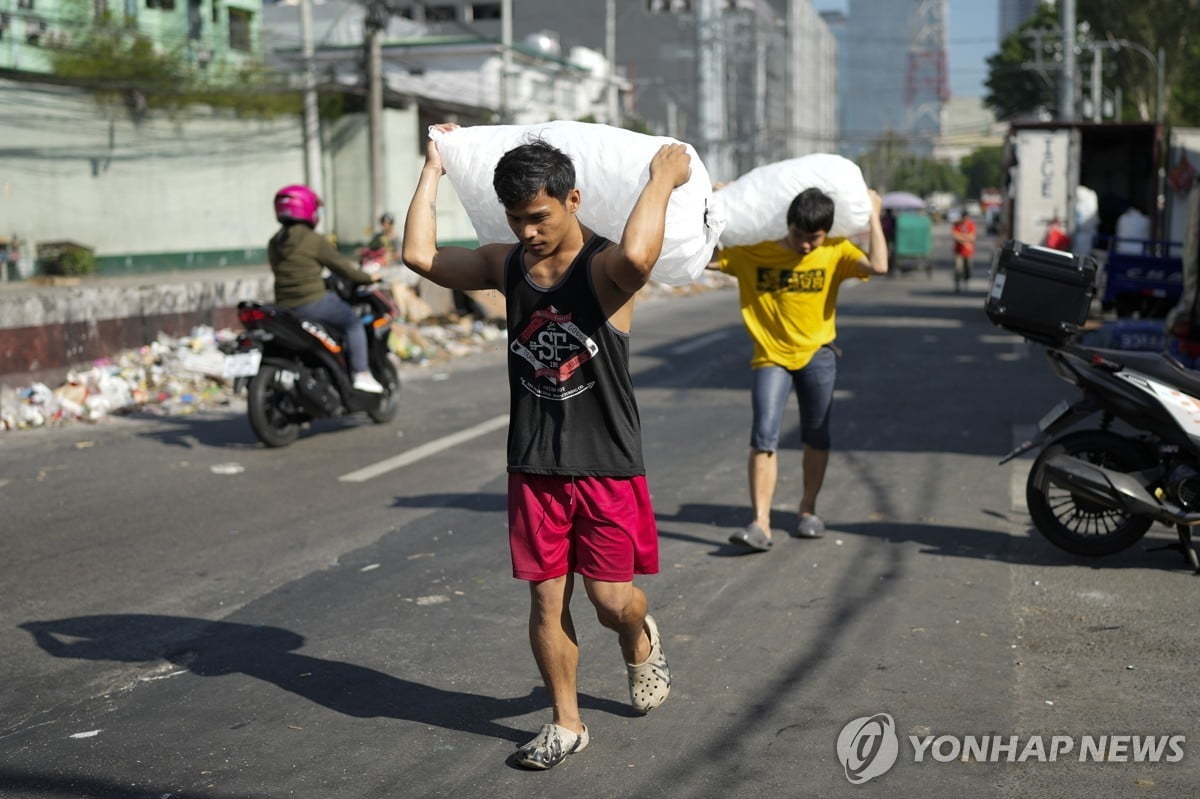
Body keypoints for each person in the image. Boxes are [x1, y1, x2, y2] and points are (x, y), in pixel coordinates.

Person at [401, 126, 690, 769]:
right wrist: (433, 170)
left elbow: (643, 260)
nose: (528, 231)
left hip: (607, 463)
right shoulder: (508, 266)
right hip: (533, 463)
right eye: (516, 218)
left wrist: (663, 180)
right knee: (544, 597)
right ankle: (566, 722)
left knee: (612, 601)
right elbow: (420, 257)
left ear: (573, 200)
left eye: (539, 216)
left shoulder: (605, 269)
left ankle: (639, 636)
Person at [716, 187, 887, 551]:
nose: (807, 245)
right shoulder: (755, 252)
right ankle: (760, 522)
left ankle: (808, 510)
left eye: (815, 238)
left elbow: (881, 265)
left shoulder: (836, 252)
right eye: (799, 236)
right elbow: (704, 257)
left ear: (826, 234)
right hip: (771, 356)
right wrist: (718, 206)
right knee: (764, 435)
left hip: (818, 355)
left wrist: (873, 212)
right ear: (787, 225)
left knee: (817, 435)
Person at [269, 184, 385, 393]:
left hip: (284, 306)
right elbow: (343, 268)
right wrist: (369, 277)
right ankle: (362, 373)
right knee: (353, 323)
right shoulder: (313, 240)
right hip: (312, 303)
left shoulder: (275, 242)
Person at [951, 210, 977, 292]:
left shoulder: (971, 225)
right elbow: (955, 236)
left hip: (968, 252)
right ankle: (957, 283)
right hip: (958, 251)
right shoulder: (956, 225)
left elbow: (973, 237)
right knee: (958, 268)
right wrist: (966, 239)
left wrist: (962, 236)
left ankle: (966, 281)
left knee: (968, 267)